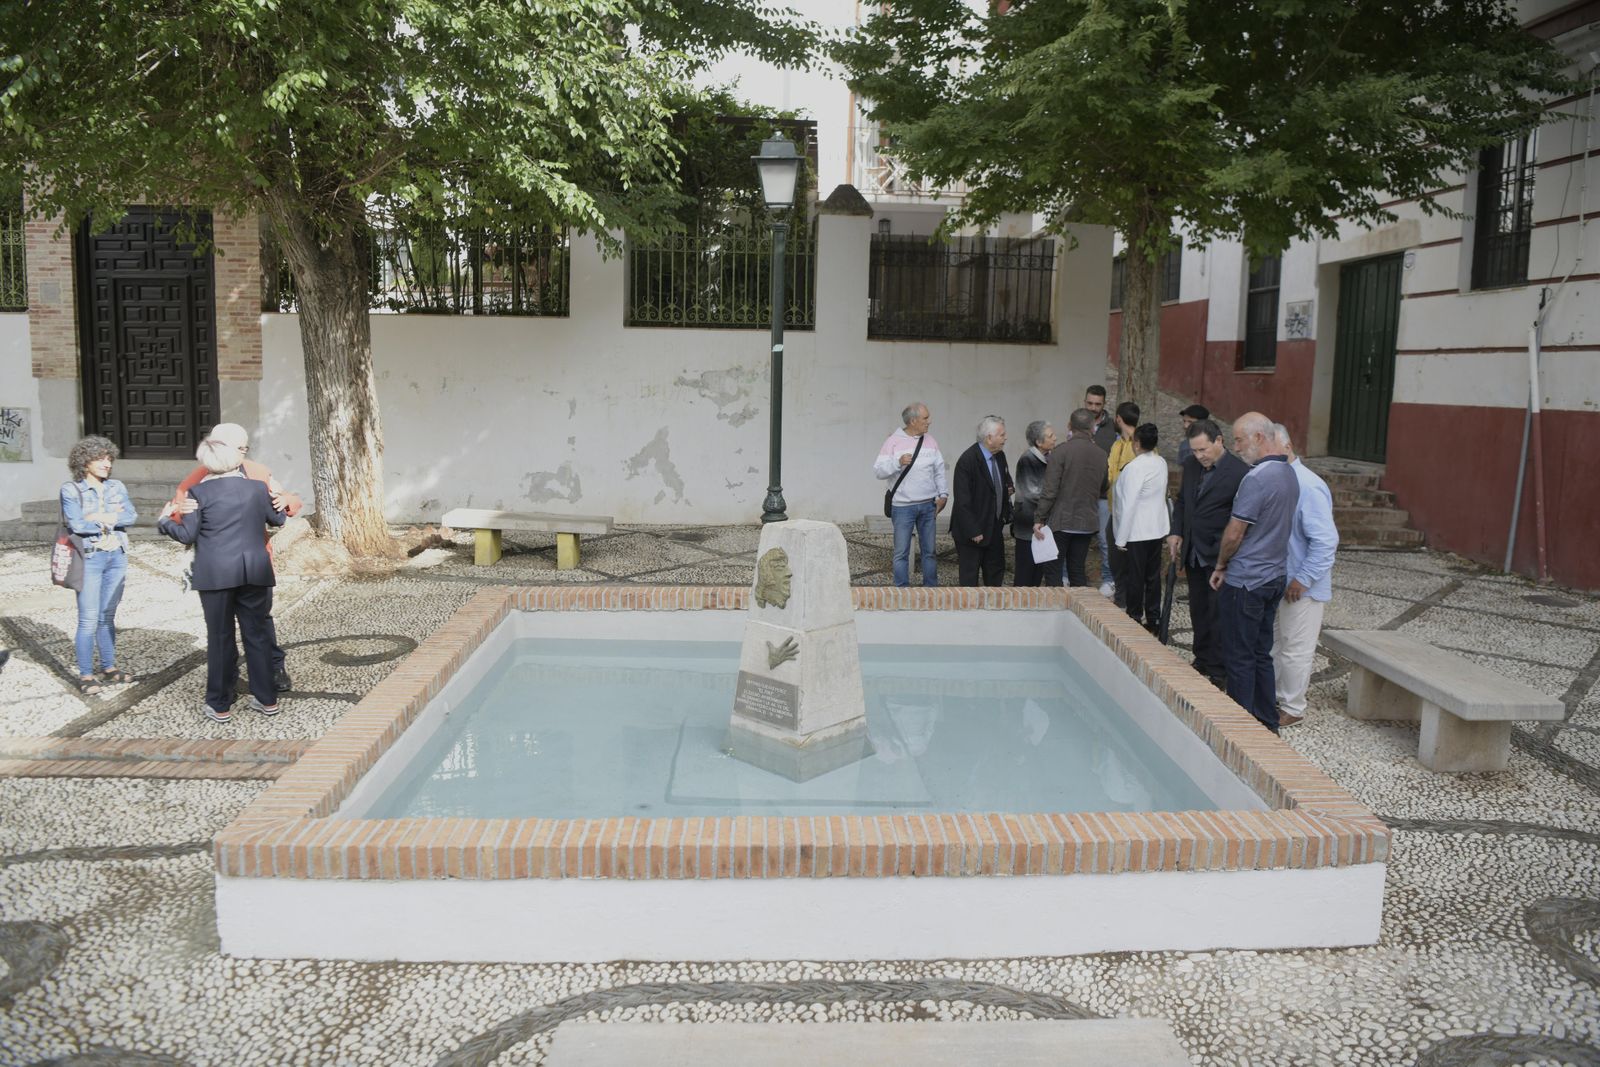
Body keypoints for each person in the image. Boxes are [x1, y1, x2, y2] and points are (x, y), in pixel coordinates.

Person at [158, 432, 287, 724]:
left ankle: (219, 703)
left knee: (220, 637)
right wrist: (278, 498)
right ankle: (267, 699)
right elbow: (278, 519)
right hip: (254, 569)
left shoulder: (199, 494)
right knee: (256, 634)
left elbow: (186, 534)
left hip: (215, 573)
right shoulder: (257, 488)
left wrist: (165, 521)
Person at [1209, 412, 1300, 733]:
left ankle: (1239, 729)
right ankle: (1266, 720)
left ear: (1260, 438)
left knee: (1239, 656)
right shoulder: (1289, 473)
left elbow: (1235, 533)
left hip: (1247, 581)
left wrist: (1221, 565)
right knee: (1261, 653)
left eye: (1239, 439)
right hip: (1274, 576)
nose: (1235, 447)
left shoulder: (1257, 478)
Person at [1167, 418, 1249, 688]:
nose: (1199, 456)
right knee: (1198, 608)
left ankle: (1219, 669)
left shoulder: (1239, 473)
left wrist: (1228, 556)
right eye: (1194, 451)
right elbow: (1182, 502)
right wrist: (1176, 531)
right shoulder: (1190, 465)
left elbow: (1241, 519)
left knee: (1218, 613)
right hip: (1192, 548)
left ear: (1219, 441)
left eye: (1203, 449)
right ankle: (1201, 657)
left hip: (1218, 553)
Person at [1269, 423, 1338, 727]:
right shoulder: (1281, 480)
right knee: (1275, 646)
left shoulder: (1308, 485)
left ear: (1286, 447)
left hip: (1301, 586)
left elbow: (1325, 541)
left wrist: (1303, 578)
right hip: (1279, 580)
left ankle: (1292, 708)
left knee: (1296, 650)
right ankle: (1272, 696)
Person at [61, 436, 137, 696]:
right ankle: (85, 674)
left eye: (109, 459)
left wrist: (101, 517)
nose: (107, 464)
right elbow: (77, 525)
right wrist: (113, 517)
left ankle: (109, 667)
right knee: (88, 619)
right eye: (100, 459)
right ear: (84, 462)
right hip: (90, 558)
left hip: (117, 555)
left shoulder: (117, 487)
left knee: (107, 616)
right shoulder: (71, 490)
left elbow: (131, 515)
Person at [873, 403, 949, 588]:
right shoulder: (893, 441)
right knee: (901, 552)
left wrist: (943, 495)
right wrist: (897, 463)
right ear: (913, 421)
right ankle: (901, 591)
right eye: (925, 418)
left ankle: (931, 591)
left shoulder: (930, 441)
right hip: (902, 507)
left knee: (929, 551)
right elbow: (878, 471)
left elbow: (939, 470)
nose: (929, 422)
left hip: (928, 505)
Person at [1033, 408, 1107, 587]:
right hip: (1087, 521)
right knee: (1077, 568)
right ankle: (1078, 611)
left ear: (1069, 426)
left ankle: (1055, 610)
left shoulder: (1060, 452)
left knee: (1053, 568)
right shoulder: (1101, 454)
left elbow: (1050, 490)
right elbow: (1104, 486)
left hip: (1062, 520)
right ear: (1092, 427)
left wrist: (1039, 518)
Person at [1113, 423, 1170, 632]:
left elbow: (1128, 505)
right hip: (1156, 527)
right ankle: (1153, 617)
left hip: (1136, 531)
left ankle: (1134, 616)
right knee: (1152, 576)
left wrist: (1121, 538)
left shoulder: (1134, 467)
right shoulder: (1161, 462)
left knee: (1135, 576)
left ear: (1137, 443)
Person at [950, 416, 1013, 587]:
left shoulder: (1000, 456)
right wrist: (973, 531)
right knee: (970, 579)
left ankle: (991, 611)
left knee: (995, 573)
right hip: (973, 533)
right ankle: (970, 613)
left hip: (994, 528)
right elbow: (962, 500)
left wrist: (1008, 490)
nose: (1005, 438)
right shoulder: (967, 460)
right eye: (1002, 434)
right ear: (989, 438)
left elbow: (1006, 480)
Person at [1010, 420, 1056, 587]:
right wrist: (1054, 498)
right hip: (1027, 523)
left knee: (1038, 570)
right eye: (1050, 436)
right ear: (1038, 441)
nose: (1055, 438)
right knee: (1025, 571)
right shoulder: (1028, 459)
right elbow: (1032, 492)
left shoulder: (1048, 458)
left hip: (1041, 521)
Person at [1104, 401, 1140, 606]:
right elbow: (1109, 474)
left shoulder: (1140, 444)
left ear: (1118, 419)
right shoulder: (1117, 444)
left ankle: (1131, 602)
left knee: (1130, 560)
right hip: (1114, 511)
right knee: (1115, 557)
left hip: (1133, 515)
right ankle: (1121, 599)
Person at [1083, 384, 1117, 596]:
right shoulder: (1077, 422)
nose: (1093, 407)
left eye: (1098, 404)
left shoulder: (1113, 428)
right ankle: (1074, 578)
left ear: (1104, 404)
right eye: (1090, 403)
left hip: (1104, 494)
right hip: (1081, 493)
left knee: (1106, 540)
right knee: (1078, 539)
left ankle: (1109, 579)